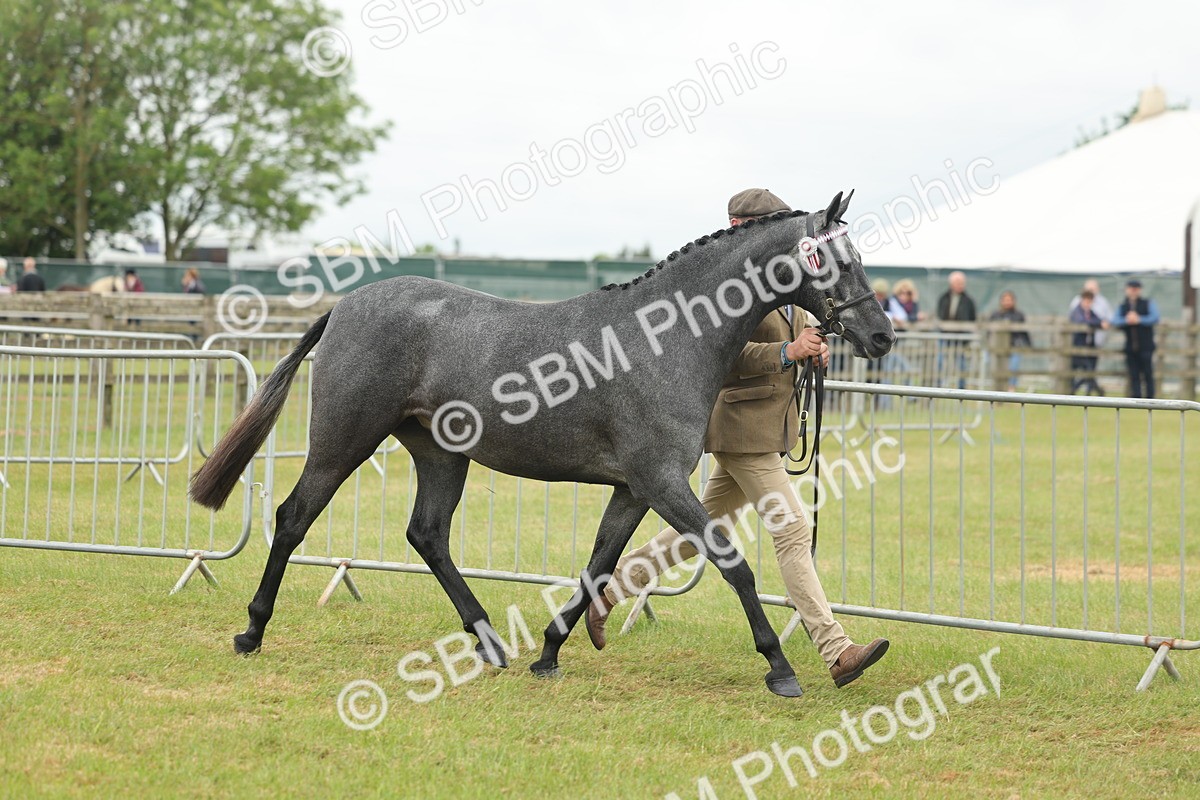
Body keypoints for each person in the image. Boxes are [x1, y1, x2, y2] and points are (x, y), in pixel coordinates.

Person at [586, 188, 890, 689]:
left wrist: (811, 349)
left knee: (698, 529)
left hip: (767, 428)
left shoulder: (782, 279)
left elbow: (796, 334)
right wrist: (787, 353)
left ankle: (609, 592)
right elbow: (722, 361)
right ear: (742, 226)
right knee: (792, 530)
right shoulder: (730, 288)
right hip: (740, 429)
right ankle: (836, 650)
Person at [1112, 279, 1159, 398]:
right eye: (1131, 289)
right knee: (1134, 375)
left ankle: (1150, 398)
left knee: (1148, 373)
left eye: (1135, 289)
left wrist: (1139, 319)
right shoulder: (1123, 306)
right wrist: (1127, 320)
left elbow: (1155, 317)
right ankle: (1136, 398)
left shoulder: (1147, 303)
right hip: (1130, 347)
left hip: (1146, 346)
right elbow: (1115, 320)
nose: (1133, 292)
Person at [936, 271, 976, 388]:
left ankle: (961, 390)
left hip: (960, 338)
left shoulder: (968, 301)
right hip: (944, 335)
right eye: (958, 282)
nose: (960, 285)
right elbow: (940, 314)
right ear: (951, 283)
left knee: (961, 364)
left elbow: (972, 318)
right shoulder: (944, 298)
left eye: (962, 283)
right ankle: (937, 386)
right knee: (940, 361)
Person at [988, 290, 1031, 390]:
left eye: (1009, 300)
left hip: (1014, 346)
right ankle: (998, 389)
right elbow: (989, 331)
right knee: (998, 368)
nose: (1007, 302)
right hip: (998, 347)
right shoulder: (995, 315)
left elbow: (1024, 331)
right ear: (1001, 301)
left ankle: (1011, 389)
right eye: (1005, 300)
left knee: (1013, 368)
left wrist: (1028, 344)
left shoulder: (1019, 315)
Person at [1069, 290, 1105, 395]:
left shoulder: (1090, 312)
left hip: (1090, 347)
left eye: (1090, 301)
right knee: (1087, 371)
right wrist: (1097, 323)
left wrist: (1098, 323)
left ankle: (1086, 391)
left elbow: (1099, 320)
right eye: (1086, 301)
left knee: (1090, 371)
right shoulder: (1077, 311)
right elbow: (1082, 321)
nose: (1088, 304)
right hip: (1078, 348)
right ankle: (1075, 389)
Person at [1069, 279, 1112, 348]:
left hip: (1093, 342)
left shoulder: (1100, 304)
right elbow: (1082, 320)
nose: (1088, 304)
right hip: (1078, 344)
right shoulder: (1077, 307)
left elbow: (1097, 318)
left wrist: (1102, 322)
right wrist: (1099, 324)